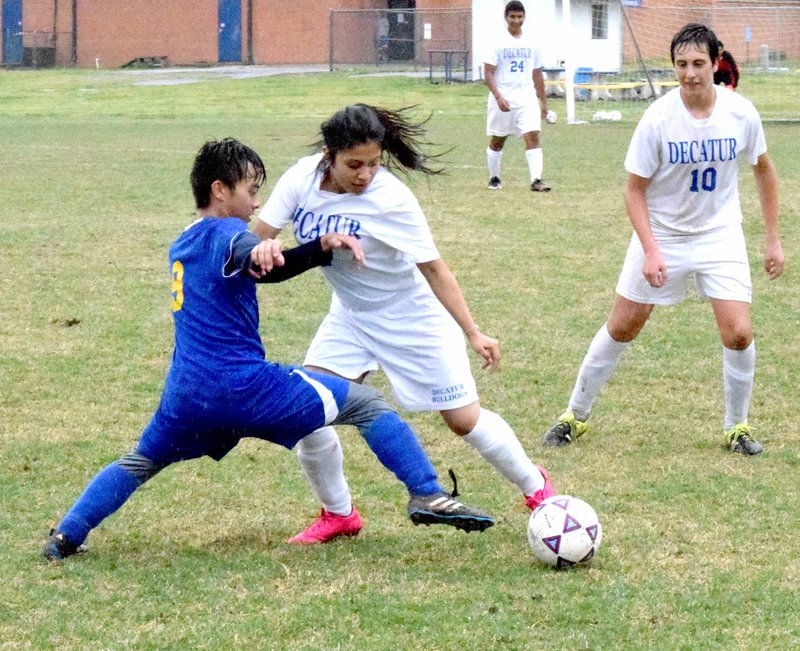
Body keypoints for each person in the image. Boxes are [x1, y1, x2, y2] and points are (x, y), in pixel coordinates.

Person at [42, 138, 495, 562]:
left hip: (186, 395)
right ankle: (426, 491)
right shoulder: (230, 235)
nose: (258, 203)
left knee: (140, 461)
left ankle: (67, 535)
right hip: (244, 387)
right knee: (367, 404)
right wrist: (298, 249)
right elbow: (255, 257)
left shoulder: (185, 239)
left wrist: (295, 252)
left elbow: (253, 265)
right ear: (220, 190)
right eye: (251, 190)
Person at [252, 104, 555, 518]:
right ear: (329, 155)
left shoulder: (391, 198)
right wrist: (261, 248)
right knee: (309, 408)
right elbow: (255, 238)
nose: (365, 175)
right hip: (351, 316)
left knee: (463, 420)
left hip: (412, 317)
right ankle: (339, 515)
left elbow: (434, 268)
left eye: (374, 164)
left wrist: (473, 332)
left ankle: (537, 488)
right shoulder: (301, 178)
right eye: (354, 164)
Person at [542, 24, 784, 455]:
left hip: (719, 235)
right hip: (663, 235)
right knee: (622, 326)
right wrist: (652, 250)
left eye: (698, 64)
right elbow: (634, 189)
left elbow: (763, 170)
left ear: (716, 63)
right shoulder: (657, 117)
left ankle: (737, 427)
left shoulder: (741, 113)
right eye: (681, 64)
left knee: (739, 333)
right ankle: (573, 416)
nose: (690, 74)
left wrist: (772, 240)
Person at [483, 0, 550, 192]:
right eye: (512, 17)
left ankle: (536, 180)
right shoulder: (497, 41)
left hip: (526, 97)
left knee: (533, 136)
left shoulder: (532, 43)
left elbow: (537, 73)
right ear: (506, 18)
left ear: (524, 18)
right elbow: (488, 72)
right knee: (498, 140)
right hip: (503, 97)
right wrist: (498, 97)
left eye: (520, 17)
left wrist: (543, 101)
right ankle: (494, 177)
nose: (516, 20)